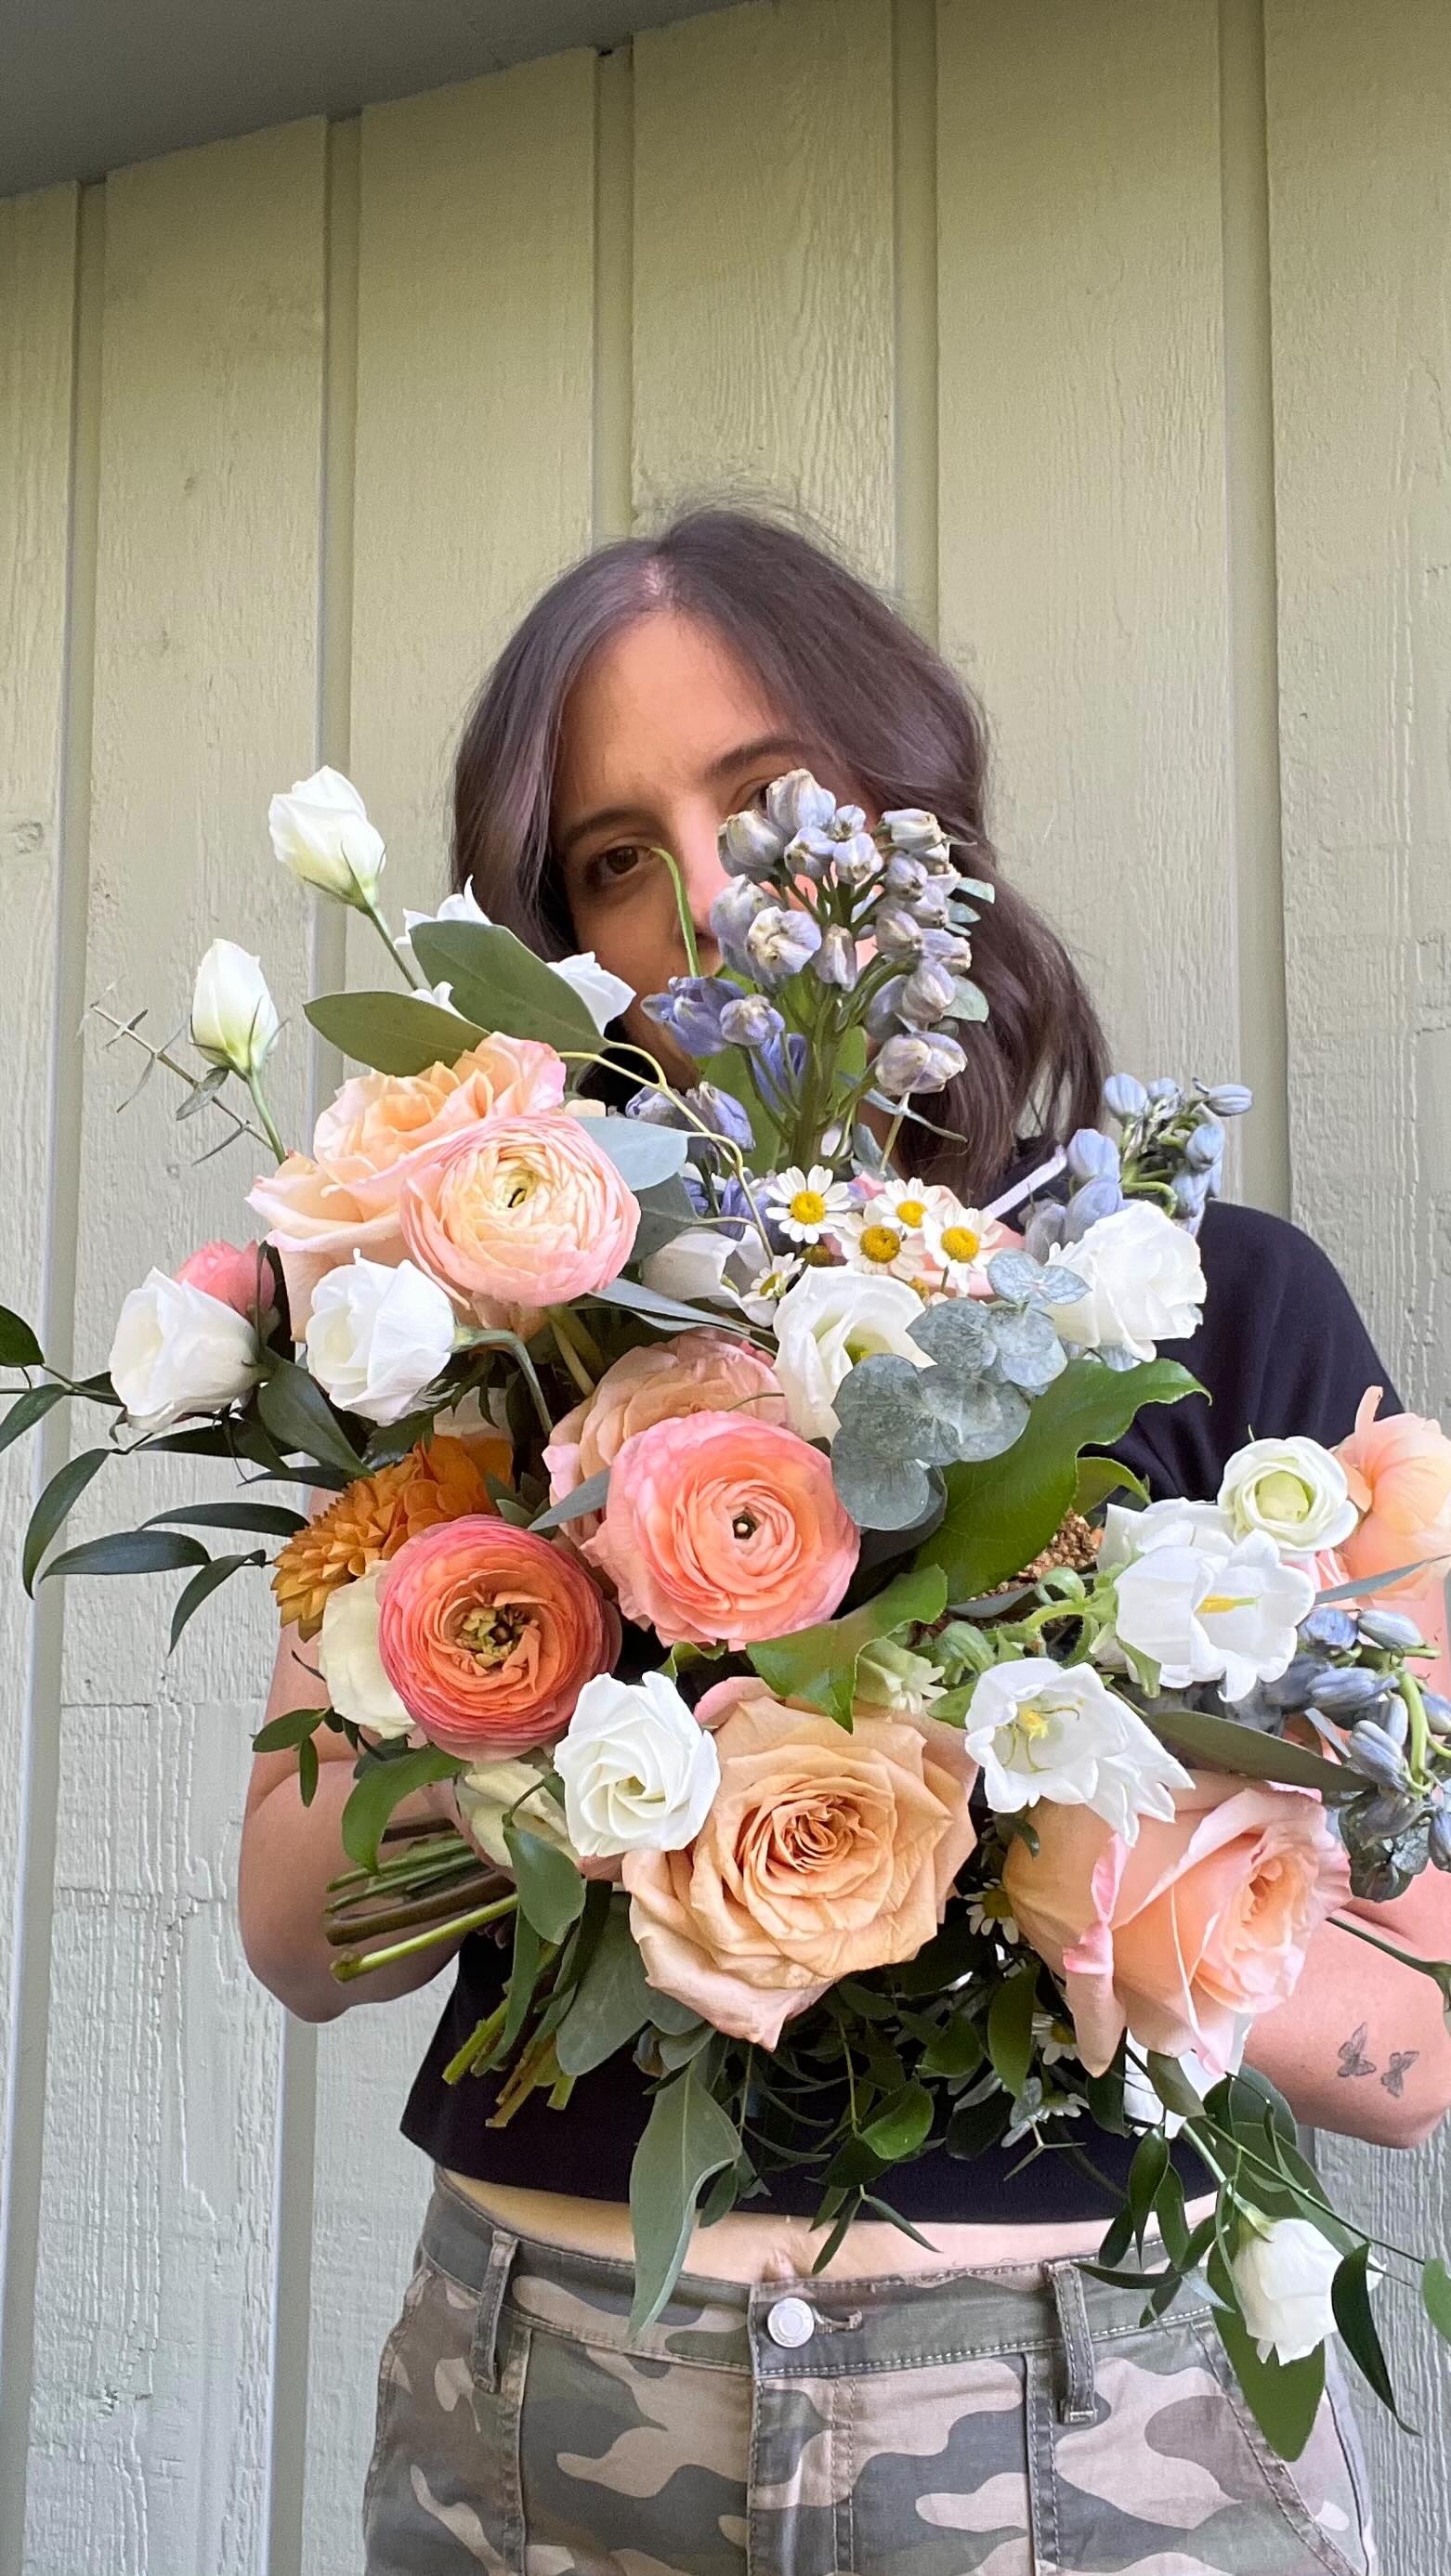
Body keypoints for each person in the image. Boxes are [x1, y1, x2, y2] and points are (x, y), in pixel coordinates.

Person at [241, 507, 1450, 2575]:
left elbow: (1416, 2044)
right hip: (552, 2409)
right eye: (612, 858)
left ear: (911, 813)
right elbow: (296, 1927)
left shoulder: (1217, 1305)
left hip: (1097, 2438)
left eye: (763, 799)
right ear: (557, 940)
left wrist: (1027, 1837)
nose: (706, 900)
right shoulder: (485, 1349)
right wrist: (560, 1723)